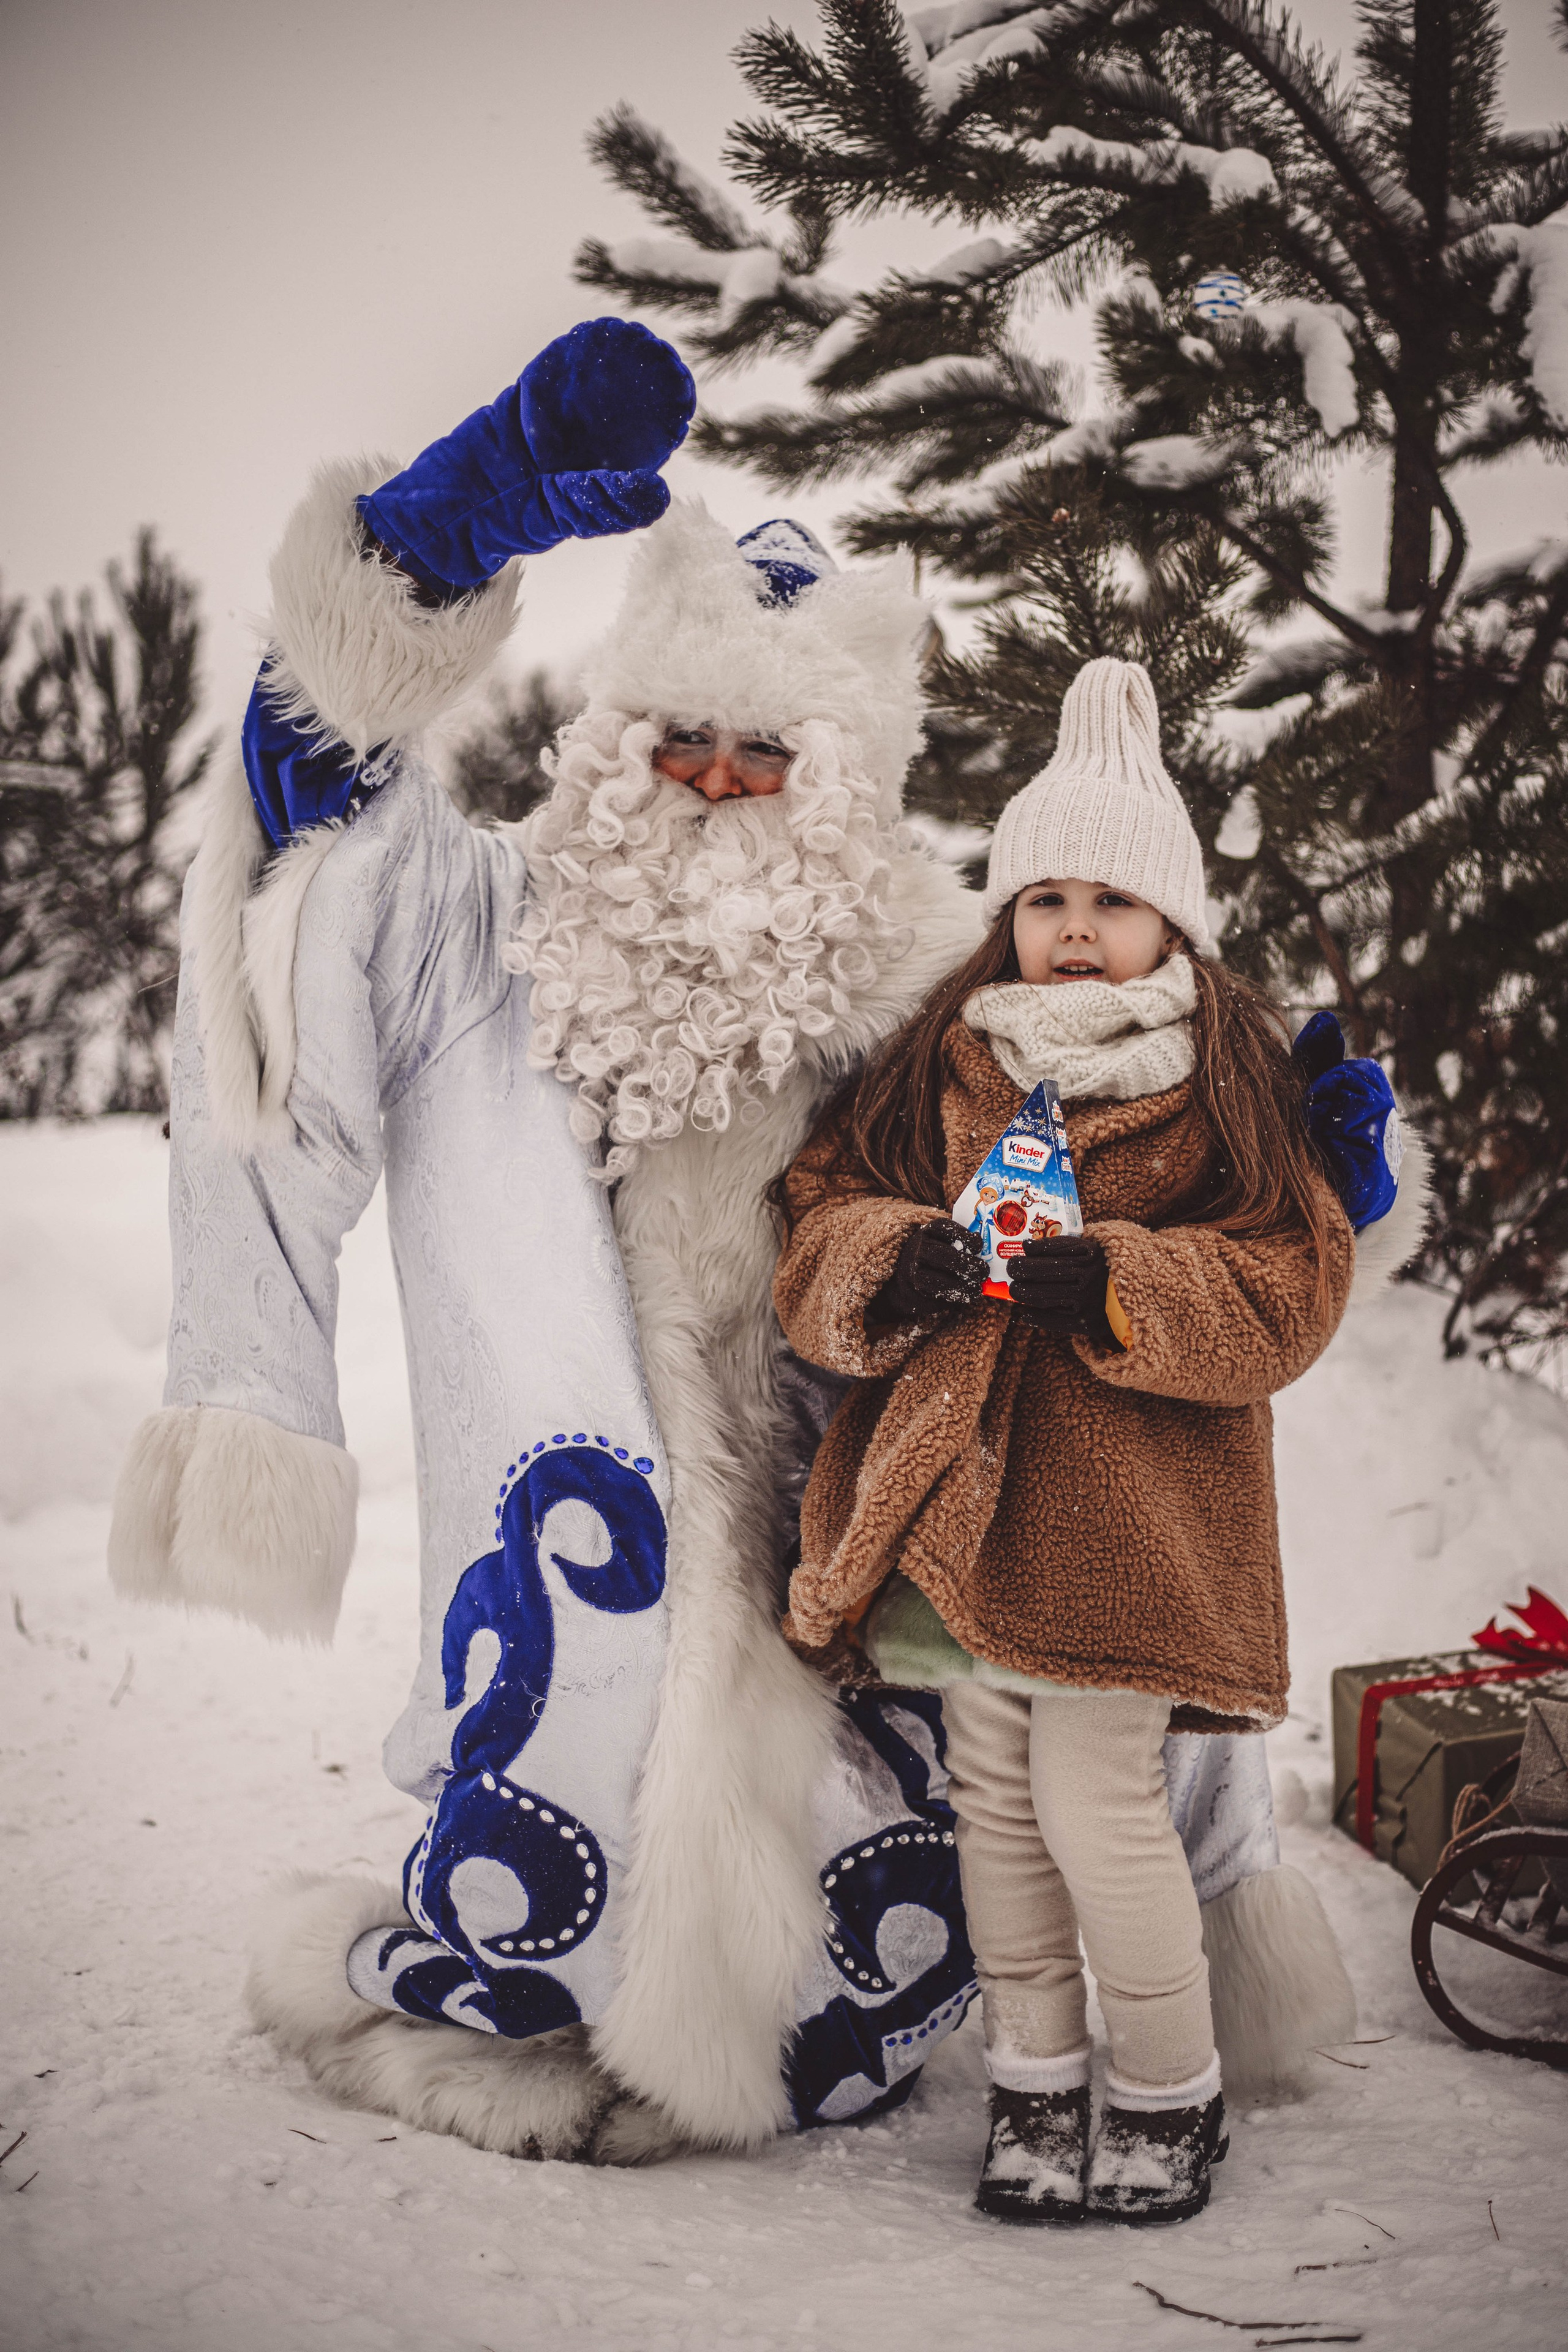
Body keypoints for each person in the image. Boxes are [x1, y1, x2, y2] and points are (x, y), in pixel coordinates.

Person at [107, 323, 1368, 2168]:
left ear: (845, 774)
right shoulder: (506, 931)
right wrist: (431, 548)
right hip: (578, 1539)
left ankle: (1035, 2018)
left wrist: (1282, 1190)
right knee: (562, 1810)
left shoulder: (947, 988)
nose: (706, 781)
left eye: (762, 753)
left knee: (887, 1932)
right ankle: (538, 1984)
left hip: (860, 1563)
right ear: (612, 745)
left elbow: (1141, 1198)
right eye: (672, 737)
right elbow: (315, 824)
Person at [770, 657, 1414, 2223]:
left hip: (1129, 1516)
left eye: (1110, 899)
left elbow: (1288, 1280)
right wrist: (892, 1255)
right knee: (989, 1793)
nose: (1072, 925)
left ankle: (1168, 2092)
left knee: (1096, 1802)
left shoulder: (1223, 1076)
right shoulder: (947, 1056)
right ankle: (1036, 2085)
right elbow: (815, 1208)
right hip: (954, 1498)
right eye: (1043, 893)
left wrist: (1123, 1281)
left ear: (1170, 925)